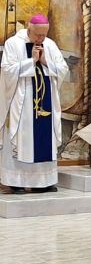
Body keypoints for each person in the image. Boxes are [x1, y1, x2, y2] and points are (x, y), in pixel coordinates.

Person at [0, 15, 69, 194]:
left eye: (44, 35)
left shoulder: (50, 45)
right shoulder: (13, 43)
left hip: (46, 101)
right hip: (22, 101)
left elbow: (63, 69)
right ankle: (16, 182)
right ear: (29, 30)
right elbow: (7, 70)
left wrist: (46, 62)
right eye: (37, 35)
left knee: (45, 138)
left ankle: (43, 182)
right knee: (22, 139)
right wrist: (31, 61)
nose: (40, 39)